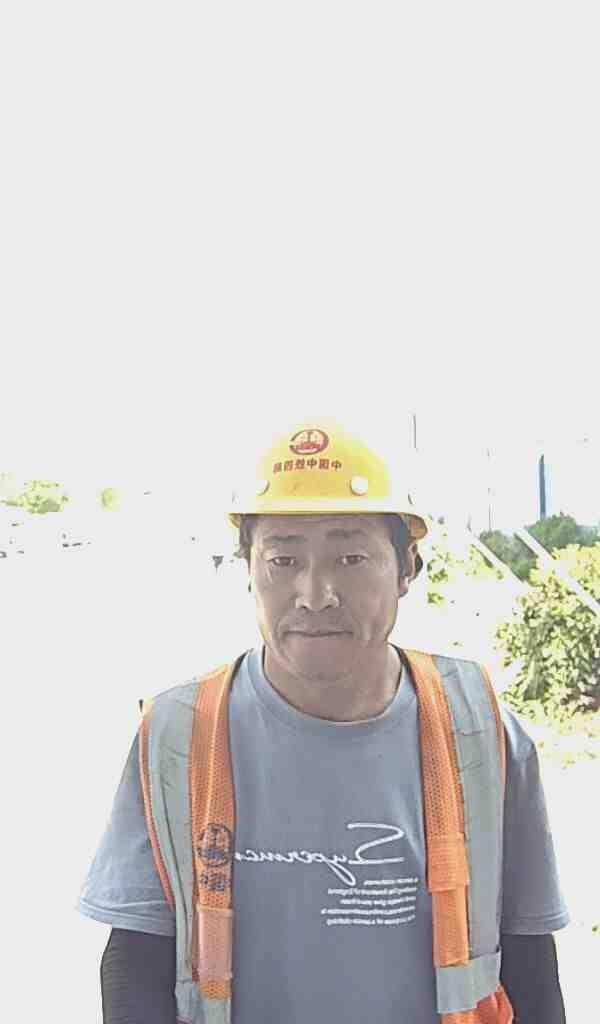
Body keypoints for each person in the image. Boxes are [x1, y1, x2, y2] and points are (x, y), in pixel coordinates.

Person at [77, 420, 569, 1024]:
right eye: (283, 559)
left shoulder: (478, 731)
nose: (315, 594)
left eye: (351, 558)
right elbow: (135, 962)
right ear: (249, 570)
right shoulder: (178, 736)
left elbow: (529, 959)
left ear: (407, 568)